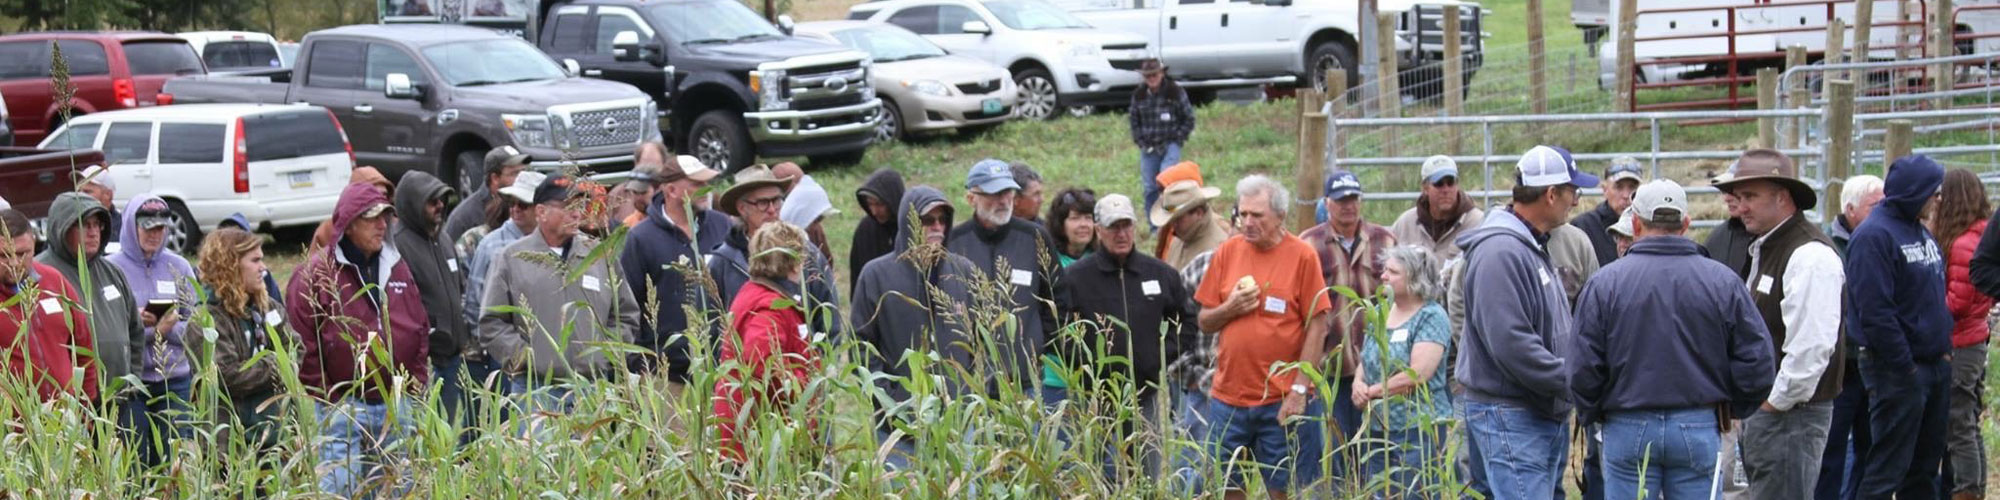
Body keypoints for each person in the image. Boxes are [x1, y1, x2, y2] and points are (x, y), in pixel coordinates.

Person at [1570, 179, 1777, 500]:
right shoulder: (1722, 281)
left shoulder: (1604, 284)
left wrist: (1595, 413)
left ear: (1635, 223)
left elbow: (1583, 365)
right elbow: (1757, 359)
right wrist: (1731, 406)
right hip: (1697, 421)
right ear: (1686, 224)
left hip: (1627, 422)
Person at [1455, 145, 1597, 498]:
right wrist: (1573, 380)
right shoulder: (1501, 252)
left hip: (1529, 410)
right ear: (1551, 194)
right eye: (1572, 192)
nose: (1576, 202)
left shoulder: (1528, 244)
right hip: (1512, 413)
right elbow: (1511, 343)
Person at [1706, 149, 1848, 500]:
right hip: (1775, 414)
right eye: (1739, 197)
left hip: (1791, 417)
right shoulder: (1769, 247)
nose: (1742, 206)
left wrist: (1769, 404)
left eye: (1751, 196)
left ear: (1783, 197)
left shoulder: (1809, 256)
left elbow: (1811, 351)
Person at [285, 182, 431, 496]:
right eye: (373, 217)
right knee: (341, 487)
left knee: (395, 487)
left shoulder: (397, 266)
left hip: (395, 401)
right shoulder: (316, 273)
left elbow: (418, 323)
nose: (382, 225)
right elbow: (302, 338)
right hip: (344, 403)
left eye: (386, 217)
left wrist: (414, 380)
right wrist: (327, 394)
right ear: (349, 224)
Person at [1194, 175, 1331, 498]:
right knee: (1228, 487)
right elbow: (1205, 321)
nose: (1247, 222)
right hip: (1229, 399)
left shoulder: (1302, 256)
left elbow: (1318, 323)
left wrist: (1300, 388)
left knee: (1284, 489)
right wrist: (1230, 308)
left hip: (1281, 400)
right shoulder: (1227, 252)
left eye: (1257, 215)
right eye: (1243, 214)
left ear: (1281, 216)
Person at [1051, 193, 1196, 479]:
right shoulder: (1076, 277)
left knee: (1146, 476)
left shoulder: (1159, 273)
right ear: (1099, 229)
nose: (1122, 233)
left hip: (1145, 396)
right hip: (1094, 398)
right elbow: (1054, 326)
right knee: (1097, 476)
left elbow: (1187, 320)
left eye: (1127, 225)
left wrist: (1158, 356)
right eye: (1114, 226)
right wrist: (1084, 363)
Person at [479, 175, 641, 428]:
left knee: (592, 465)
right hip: (536, 391)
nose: (577, 215)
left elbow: (626, 315)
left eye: (580, 207)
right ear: (541, 212)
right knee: (541, 465)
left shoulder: (599, 254)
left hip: (591, 389)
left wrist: (604, 355)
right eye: (567, 207)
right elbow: (491, 323)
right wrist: (528, 358)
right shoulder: (512, 258)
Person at [1844, 154, 1952, 500]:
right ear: (1913, 192)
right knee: (1888, 467)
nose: (1938, 200)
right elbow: (1875, 312)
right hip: (1897, 370)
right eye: (1933, 193)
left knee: (1924, 468)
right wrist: (1904, 365)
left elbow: (1930, 294)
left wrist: (1943, 352)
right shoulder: (1874, 237)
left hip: (1934, 365)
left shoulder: (1918, 230)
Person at [850, 186, 981, 465]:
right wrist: (890, 404)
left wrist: (969, 398)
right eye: (927, 220)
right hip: (899, 429)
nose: (936, 227)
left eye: (942, 220)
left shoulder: (963, 271)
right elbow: (861, 348)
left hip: (957, 424)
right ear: (907, 223)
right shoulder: (876, 275)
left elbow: (983, 341)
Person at [35, 192, 143, 448]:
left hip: (118, 401)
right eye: (84, 225)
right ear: (62, 227)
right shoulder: (42, 276)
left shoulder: (112, 272)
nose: (93, 232)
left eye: (98, 225)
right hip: (70, 409)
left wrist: (132, 380)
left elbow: (135, 331)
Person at [1297, 170, 1396, 443]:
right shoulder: (1307, 244)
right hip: (1329, 363)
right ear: (1326, 203)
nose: (1348, 205)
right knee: (1333, 447)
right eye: (1341, 200)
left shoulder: (1385, 239)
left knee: (1375, 445)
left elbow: (1401, 296)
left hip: (1376, 365)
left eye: (1353, 198)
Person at [947, 159, 1061, 394]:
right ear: (971, 198)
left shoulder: (1035, 237)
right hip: (972, 384)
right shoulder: (954, 243)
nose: (1002, 200)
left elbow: (1058, 296)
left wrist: (1039, 346)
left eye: (1007, 192)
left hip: (1026, 380)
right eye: (993, 193)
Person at [713, 222, 822, 461]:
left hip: (756, 436)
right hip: (762, 444)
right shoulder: (770, 306)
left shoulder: (756, 293)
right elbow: (763, 367)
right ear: (794, 261)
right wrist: (808, 383)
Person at [1350, 245, 1454, 496]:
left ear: (1415, 278)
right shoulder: (1379, 312)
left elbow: (1417, 374)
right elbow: (1368, 358)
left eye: (1393, 272)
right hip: (1378, 426)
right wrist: (1358, 383)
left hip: (1417, 429)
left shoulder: (1431, 317)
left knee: (1415, 492)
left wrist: (1373, 392)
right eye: (1384, 270)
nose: (1383, 276)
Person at [620, 155, 728, 386]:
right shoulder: (641, 238)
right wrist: (639, 363)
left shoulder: (722, 226)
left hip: (721, 371)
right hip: (666, 375)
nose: (706, 189)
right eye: (697, 184)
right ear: (671, 190)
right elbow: (627, 305)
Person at [109, 195, 200, 455]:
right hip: (133, 380)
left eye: (161, 228)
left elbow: (196, 325)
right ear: (130, 226)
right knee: (136, 457)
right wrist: (146, 328)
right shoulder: (113, 269)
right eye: (148, 227)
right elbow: (109, 328)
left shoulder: (179, 266)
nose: (155, 234)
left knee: (173, 456)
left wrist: (171, 327)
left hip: (175, 378)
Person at [388, 171, 478, 432]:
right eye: (432, 201)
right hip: (424, 364)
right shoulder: (398, 246)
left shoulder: (443, 237)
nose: (440, 205)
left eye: (442, 199)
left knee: (446, 429)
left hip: (452, 356)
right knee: (425, 433)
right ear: (413, 205)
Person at [709, 165, 841, 339]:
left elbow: (829, 319)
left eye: (777, 200)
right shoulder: (723, 263)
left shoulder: (806, 253)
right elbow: (711, 331)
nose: (772, 209)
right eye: (763, 203)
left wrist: (822, 362)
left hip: (804, 362)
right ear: (742, 208)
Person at [1818, 174, 1883, 500]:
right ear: (1850, 208)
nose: (1883, 210)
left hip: (1872, 362)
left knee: (1870, 447)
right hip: (1840, 366)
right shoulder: (1827, 245)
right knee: (1831, 449)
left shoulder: (1884, 239)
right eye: (1876, 205)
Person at [195, 228, 289, 450]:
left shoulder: (269, 307)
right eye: (255, 260)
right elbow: (227, 375)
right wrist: (278, 365)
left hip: (276, 436)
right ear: (230, 265)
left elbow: (296, 350)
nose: (263, 268)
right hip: (230, 445)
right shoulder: (206, 319)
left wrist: (276, 364)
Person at [1931, 168, 1990, 500]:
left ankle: (1966, 491)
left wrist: (1924, 306)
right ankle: (1974, 488)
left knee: (1958, 425)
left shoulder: (1964, 244)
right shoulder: (1980, 236)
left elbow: (1957, 301)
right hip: (1974, 338)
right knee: (1968, 422)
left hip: (1961, 343)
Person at [0, 208, 98, 402]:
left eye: (22, 253)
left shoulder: (54, 282)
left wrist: (86, 413)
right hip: (11, 426)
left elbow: (84, 350)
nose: (14, 263)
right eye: (3, 256)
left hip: (66, 421)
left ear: (34, 246)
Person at [463, 171, 545, 338]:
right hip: (506, 347)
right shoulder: (491, 245)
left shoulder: (553, 243)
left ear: (540, 209)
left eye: (523, 204)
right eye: (511, 203)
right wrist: (492, 344)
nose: (515, 209)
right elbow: (475, 302)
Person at [1130, 58, 1195, 215]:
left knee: (1167, 183)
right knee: (1150, 188)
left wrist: (1178, 139)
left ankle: (1170, 219)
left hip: (1170, 145)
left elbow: (1188, 118)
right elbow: (1134, 120)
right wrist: (1140, 140)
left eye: (1154, 74)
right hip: (1148, 148)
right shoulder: (1139, 95)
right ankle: (1154, 225)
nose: (1151, 78)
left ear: (1162, 74)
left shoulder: (1175, 91)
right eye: (1148, 76)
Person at [1390, 155, 1487, 261]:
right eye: (1439, 183)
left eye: (1450, 183)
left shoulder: (1478, 223)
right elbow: (1387, 265)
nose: (1446, 190)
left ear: (1457, 185)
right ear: (1425, 188)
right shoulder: (1405, 224)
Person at [445, 146, 530, 243]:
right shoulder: (463, 218)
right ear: (495, 178)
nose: (522, 178)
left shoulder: (530, 206)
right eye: (514, 173)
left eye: (524, 171)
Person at [1569, 156, 1643, 266]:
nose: (1626, 195)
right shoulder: (1584, 226)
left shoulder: (1649, 225)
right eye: (1618, 187)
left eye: (1632, 187)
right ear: (1605, 189)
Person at [1152, 168, 1230, 271]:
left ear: (1198, 213)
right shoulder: (1179, 240)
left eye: (1178, 218)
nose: (1173, 224)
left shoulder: (1218, 250)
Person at [848, 167, 906, 294]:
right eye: (870, 204)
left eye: (879, 204)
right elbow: (857, 278)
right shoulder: (865, 230)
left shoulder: (911, 228)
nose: (874, 211)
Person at [312, 167, 395, 251]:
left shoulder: (395, 226)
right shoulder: (328, 230)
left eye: (384, 194)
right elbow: (315, 262)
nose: (379, 199)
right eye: (373, 193)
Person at [1706, 165, 1757, 277]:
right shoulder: (1718, 237)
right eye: (1725, 191)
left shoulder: (1782, 238)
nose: (1727, 198)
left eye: (1735, 191)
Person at [779, 173, 840, 263]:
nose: (817, 224)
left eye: (819, 219)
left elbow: (827, 264)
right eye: (816, 220)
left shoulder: (816, 231)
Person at [1046, 187, 1097, 267]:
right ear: (1060, 224)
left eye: (1088, 218)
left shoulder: (1102, 257)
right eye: (1075, 218)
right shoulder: (1048, 260)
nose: (1083, 224)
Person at [77, 165, 121, 245]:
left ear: (108, 195)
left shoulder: (123, 229)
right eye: (78, 191)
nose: (80, 196)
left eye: (87, 192)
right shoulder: (70, 224)